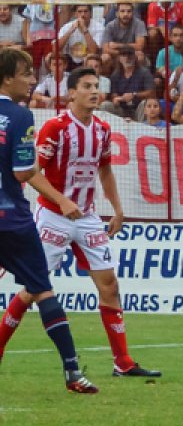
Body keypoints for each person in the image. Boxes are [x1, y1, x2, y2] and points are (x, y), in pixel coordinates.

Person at [13, 66, 163, 378]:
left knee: (109, 285)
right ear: (71, 93)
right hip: (53, 216)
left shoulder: (103, 129)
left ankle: (122, 362)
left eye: (97, 85)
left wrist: (117, 209)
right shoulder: (55, 128)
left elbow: (105, 171)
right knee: (32, 288)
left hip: (88, 217)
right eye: (87, 86)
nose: (95, 91)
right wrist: (62, 200)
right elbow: (32, 171)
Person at [0, 48, 98, 393]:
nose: (31, 81)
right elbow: (23, 170)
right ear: (8, 78)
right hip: (11, 219)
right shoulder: (20, 116)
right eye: (26, 74)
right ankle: (72, 372)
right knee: (42, 290)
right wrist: (59, 197)